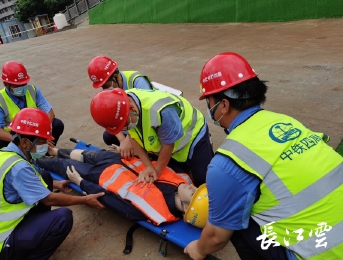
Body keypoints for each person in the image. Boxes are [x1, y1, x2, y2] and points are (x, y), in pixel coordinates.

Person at [184, 52, 340, 260]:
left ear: (223, 105)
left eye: (209, 101)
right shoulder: (286, 122)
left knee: (234, 219)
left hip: (322, 253)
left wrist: (199, 249)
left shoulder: (226, 162)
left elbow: (216, 238)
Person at [0, 108, 105, 260]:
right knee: (63, 217)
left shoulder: (5, 154)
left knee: (45, 177)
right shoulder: (18, 167)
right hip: (0, 240)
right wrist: (85, 200)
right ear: (24, 142)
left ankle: (38, 229)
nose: (46, 147)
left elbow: (25, 181)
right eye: (42, 142)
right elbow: (49, 199)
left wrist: (57, 184)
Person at [35, 145, 199, 226]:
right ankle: (54, 150)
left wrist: (81, 183)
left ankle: (32, 160)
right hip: (121, 160)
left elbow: (111, 201)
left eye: (193, 194)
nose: (191, 187)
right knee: (83, 154)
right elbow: (157, 160)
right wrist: (131, 153)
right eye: (196, 189)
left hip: (99, 175)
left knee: (64, 166)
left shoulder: (154, 211)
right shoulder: (184, 179)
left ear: (186, 208)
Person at [90, 88, 213, 187]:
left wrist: (156, 171)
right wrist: (148, 166)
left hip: (192, 134)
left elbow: (168, 145)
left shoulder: (160, 111)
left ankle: (207, 145)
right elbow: (133, 137)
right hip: (168, 140)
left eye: (125, 126)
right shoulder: (122, 105)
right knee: (176, 172)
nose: (125, 130)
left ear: (132, 109)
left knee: (202, 180)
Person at [0, 61, 64, 152]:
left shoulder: (33, 91)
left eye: (24, 84)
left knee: (57, 124)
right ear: (5, 84)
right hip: (15, 134)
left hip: (34, 129)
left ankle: (44, 153)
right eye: (17, 85)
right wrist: (22, 141)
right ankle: (18, 155)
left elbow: (49, 112)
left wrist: (44, 136)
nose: (22, 87)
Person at [88, 56, 154, 157]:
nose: (105, 90)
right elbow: (110, 119)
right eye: (102, 87)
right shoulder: (111, 89)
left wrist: (130, 139)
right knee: (108, 136)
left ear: (115, 76)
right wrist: (123, 141)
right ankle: (130, 150)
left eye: (106, 86)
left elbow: (147, 114)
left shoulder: (138, 82)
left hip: (144, 122)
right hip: (128, 123)